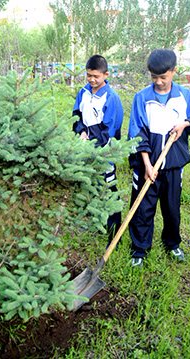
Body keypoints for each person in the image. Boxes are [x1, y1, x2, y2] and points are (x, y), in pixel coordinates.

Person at [127, 49, 190, 267]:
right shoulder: (142, 98)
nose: (158, 82)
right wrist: (147, 164)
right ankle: (139, 249)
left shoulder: (184, 97)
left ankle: (172, 244)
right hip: (146, 165)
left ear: (173, 71)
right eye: (154, 77)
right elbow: (136, 133)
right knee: (142, 208)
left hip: (174, 165)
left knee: (172, 208)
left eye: (163, 77)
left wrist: (185, 124)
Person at [72, 54, 124, 242]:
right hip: (85, 149)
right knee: (91, 187)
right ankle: (95, 224)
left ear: (106, 75)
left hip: (104, 153)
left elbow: (109, 128)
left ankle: (114, 231)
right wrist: (80, 131)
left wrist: (90, 137)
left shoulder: (111, 97)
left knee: (108, 188)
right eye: (88, 75)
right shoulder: (83, 92)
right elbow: (76, 115)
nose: (92, 80)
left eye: (96, 76)